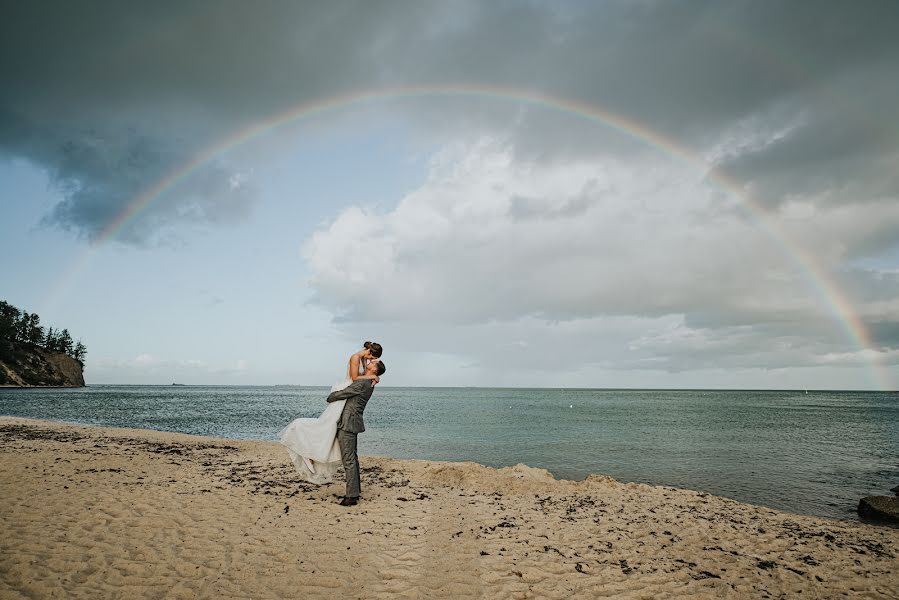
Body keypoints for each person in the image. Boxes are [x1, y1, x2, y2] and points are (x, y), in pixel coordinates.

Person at [279, 342, 382, 484]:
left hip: (350, 394)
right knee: (326, 425)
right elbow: (354, 379)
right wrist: (371, 377)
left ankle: (312, 455)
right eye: (373, 358)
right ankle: (308, 452)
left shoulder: (363, 359)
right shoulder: (355, 358)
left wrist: (373, 376)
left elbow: (360, 380)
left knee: (329, 428)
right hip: (347, 390)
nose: (371, 361)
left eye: (373, 361)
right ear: (369, 352)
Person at [326, 359, 386, 506]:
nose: (369, 362)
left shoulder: (363, 383)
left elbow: (343, 394)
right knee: (353, 458)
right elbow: (358, 370)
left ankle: (351, 496)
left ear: (374, 370)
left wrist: (331, 396)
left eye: (373, 363)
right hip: (353, 421)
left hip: (348, 423)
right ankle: (355, 491)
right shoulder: (369, 381)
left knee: (349, 460)